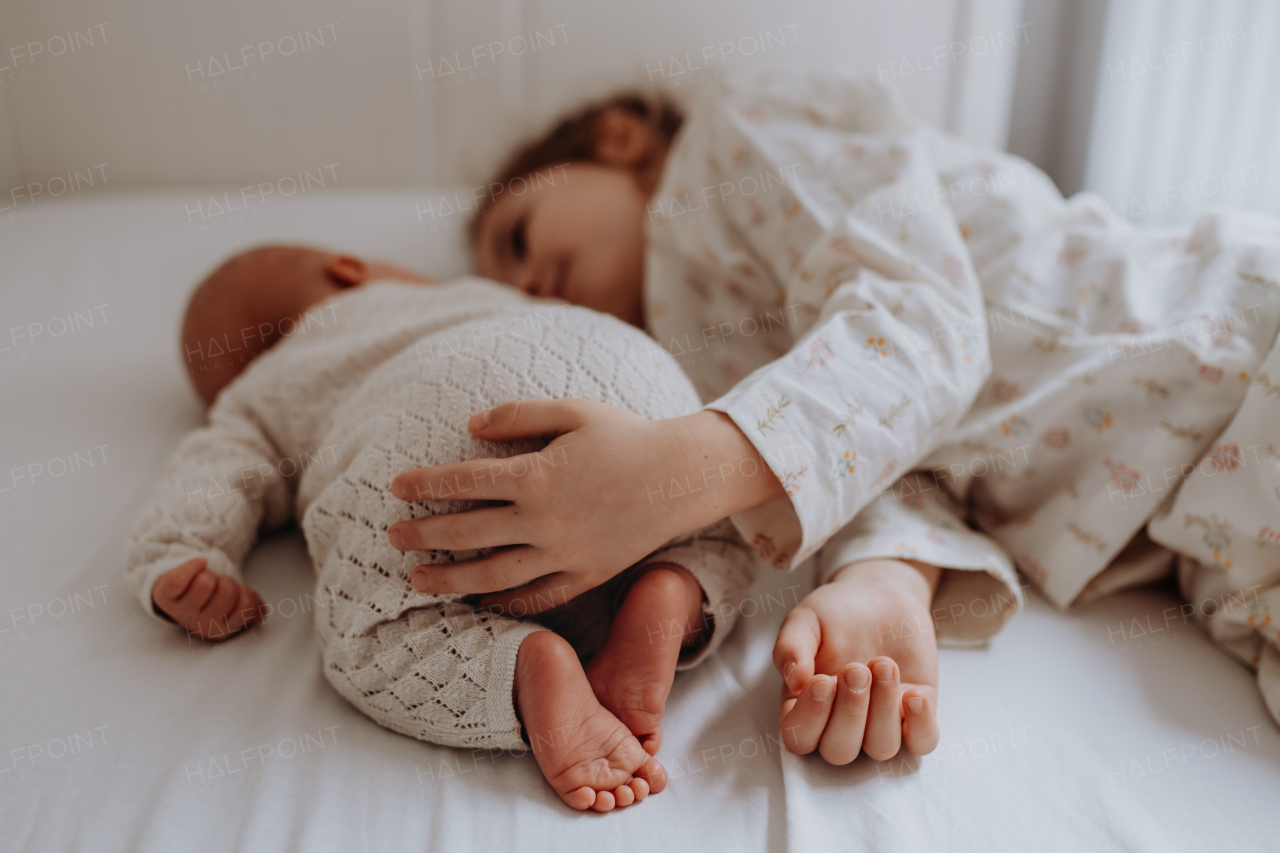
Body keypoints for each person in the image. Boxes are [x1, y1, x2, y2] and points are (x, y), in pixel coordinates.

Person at [387, 73, 1280, 763]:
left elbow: (918, 320)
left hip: (1229, 348)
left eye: (519, 237)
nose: (531, 287)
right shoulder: (695, 373)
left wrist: (669, 475)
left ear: (615, 140)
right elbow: (894, 443)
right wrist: (883, 581)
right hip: (1197, 544)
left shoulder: (729, 145)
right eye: (513, 293)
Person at [125, 245, 758, 811]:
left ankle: (526, 667)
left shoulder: (257, 393)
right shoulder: (482, 295)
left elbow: (211, 471)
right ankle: (668, 588)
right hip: (622, 382)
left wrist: (181, 553)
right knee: (718, 525)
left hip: (430, 441)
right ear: (351, 267)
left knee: (366, 640)